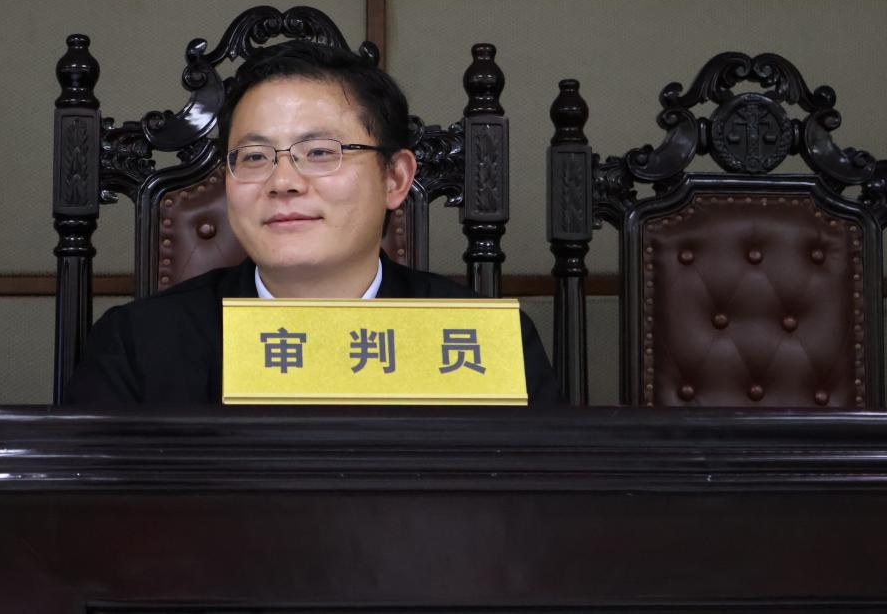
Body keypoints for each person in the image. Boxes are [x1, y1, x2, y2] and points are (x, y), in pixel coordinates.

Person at [65, 39, 559, 405]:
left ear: (395, 178)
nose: (283, 181)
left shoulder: (482, 343)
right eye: (254, 157)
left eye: (320, 152)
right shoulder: (138, 345)